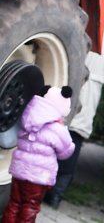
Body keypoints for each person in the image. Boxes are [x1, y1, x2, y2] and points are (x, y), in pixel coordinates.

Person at [43, 16, 104, 209]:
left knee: (52, 131)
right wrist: (99, 78)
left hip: (66, 80)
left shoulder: (83, 25)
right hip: (91, 90)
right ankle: (56, 195)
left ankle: (38, 185)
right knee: (75, 138)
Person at [2, 86, 75, 223]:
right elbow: (66, 153)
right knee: (30, 207)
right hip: (37, 177)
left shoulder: (27, 118)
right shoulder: (57, 130)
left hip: (18, 172)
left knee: (14, 203)